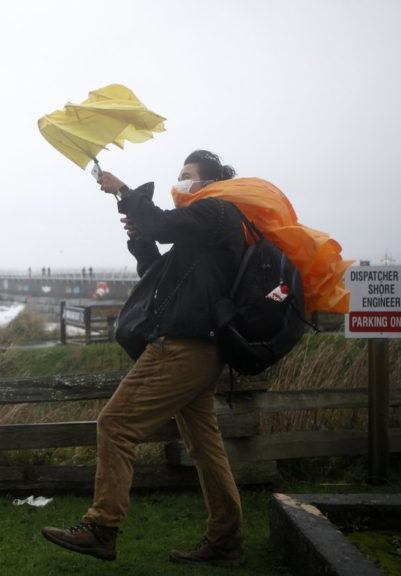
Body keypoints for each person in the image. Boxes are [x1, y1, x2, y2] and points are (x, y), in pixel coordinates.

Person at [42, 150, 247, 567]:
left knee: (116, 424)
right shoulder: (203, 232)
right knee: (206, 448)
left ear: (209, 184)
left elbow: (163, 222)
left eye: (187, 175)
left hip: (183, 347)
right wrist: (140, 237)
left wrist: (122, 190)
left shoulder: (218, 212)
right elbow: (159, 273)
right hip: (199, 350)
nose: (179, 181)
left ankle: (101, 528)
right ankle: (225, 540)